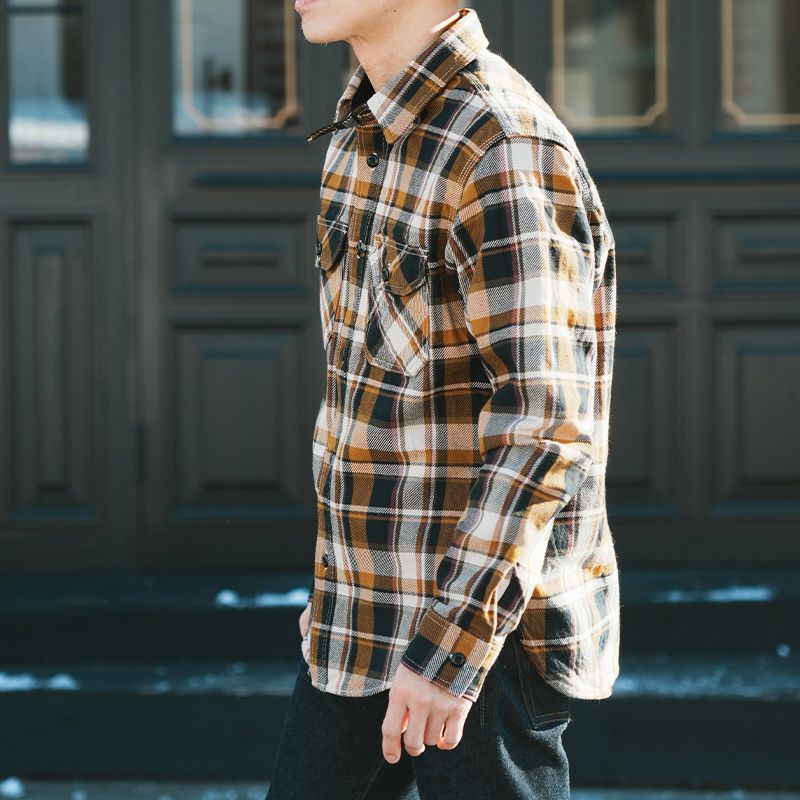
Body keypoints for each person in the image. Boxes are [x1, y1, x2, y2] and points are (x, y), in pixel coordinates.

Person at [266, 3, 620, 798]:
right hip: (363, 617)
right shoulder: (360, 131)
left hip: (476, 647)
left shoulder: (502, 144)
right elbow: (370, 401)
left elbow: (543, 429)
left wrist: (451, 652)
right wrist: (334, 597)